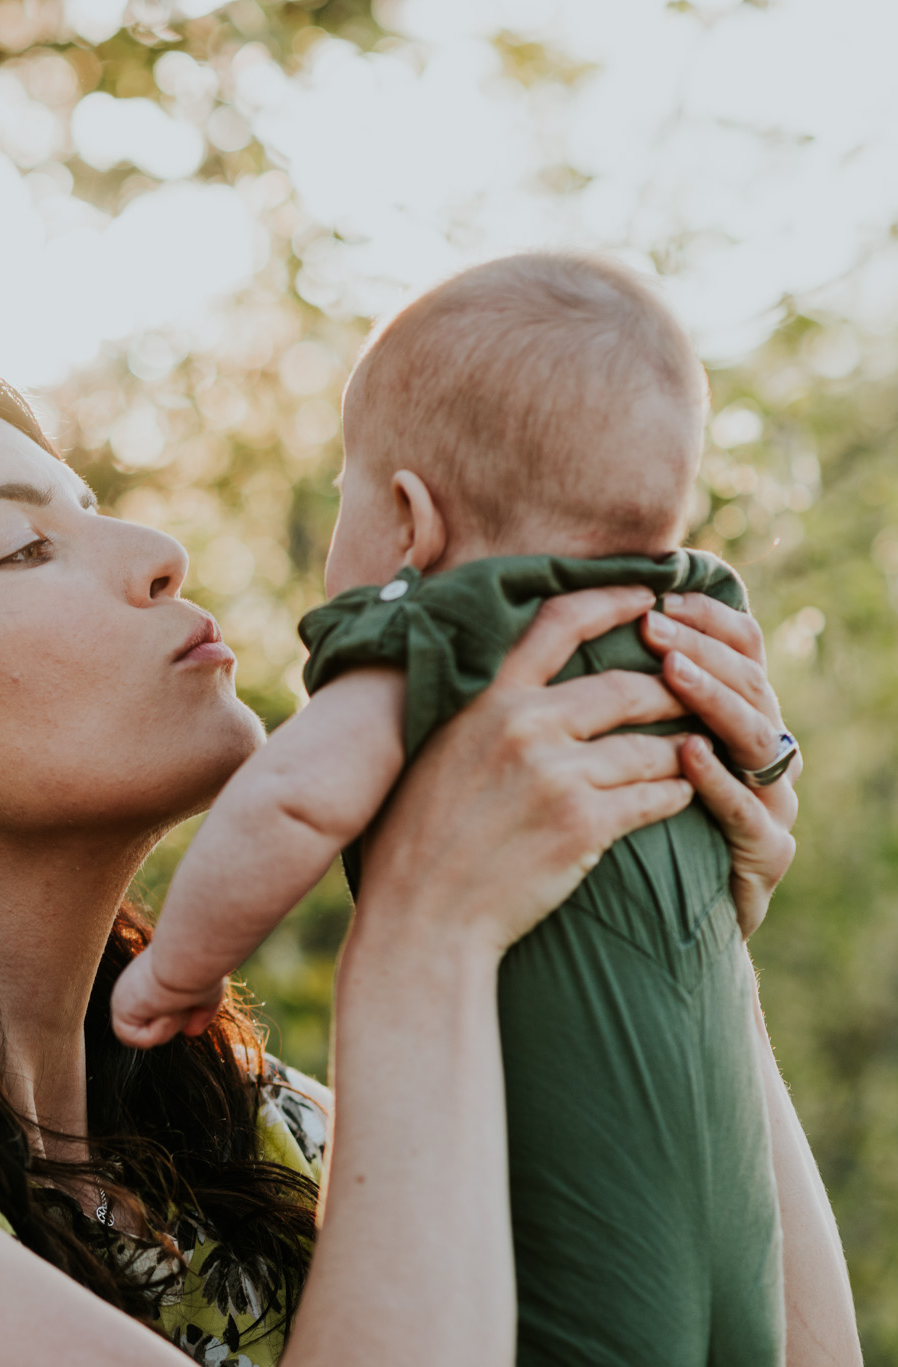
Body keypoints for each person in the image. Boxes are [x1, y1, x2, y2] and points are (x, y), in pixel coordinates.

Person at [0, 360, 856, 1367]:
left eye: (93, 508)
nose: (158, 555)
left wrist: (687, 939)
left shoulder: (263, 1135)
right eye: (25, 544)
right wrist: (420, 934)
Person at [111, 254, 809, 1363]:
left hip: (569, 1234)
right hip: (740, 1236)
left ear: (406, 521)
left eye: (343, 494)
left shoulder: (441, 631)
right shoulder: (691, 630)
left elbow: (287, 802)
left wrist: (177, 969)